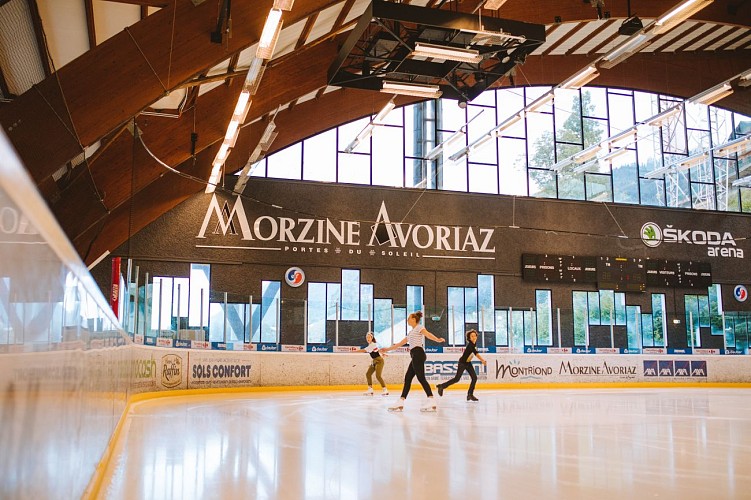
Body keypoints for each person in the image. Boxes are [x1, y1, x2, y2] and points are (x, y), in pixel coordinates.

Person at [380, 311, 445, 412]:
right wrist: (387, 349)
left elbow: (427, 334)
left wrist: (437, 340)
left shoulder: (419, 327)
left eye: (409, 318)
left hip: (418, 353)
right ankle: (401, 401)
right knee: (408, 378)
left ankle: (431, 399)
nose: (407, 320)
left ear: (414, 319)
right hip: (415, 355)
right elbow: (400, 344)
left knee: (421, 378)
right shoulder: (411, 332)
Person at [436, 329, 487, 402]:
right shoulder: (470, 345)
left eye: (474, 336)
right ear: (469, 338)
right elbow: (476, 353)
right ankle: (441, 386)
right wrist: (482, 360)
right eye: (471, 336)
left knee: (474, 378)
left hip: (468, 363)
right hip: (462, 363)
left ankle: (470, 394)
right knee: (456, 379)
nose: (473, 337)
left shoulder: (474, 344)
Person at [355, 332, 389, 396]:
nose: (368, 338)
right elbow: (377, 350)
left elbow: (364, 350)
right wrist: (382, 354)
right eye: (367, 337)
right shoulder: (372, 345)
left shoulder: (372, 345)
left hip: (379, 361)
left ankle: (385, 390)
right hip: (374, 361)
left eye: (369, 337)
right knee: (368, 374)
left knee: (378, 376)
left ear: (372, 338)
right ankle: (370, 389)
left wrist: (355, 351)